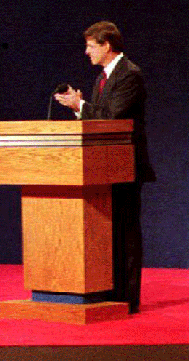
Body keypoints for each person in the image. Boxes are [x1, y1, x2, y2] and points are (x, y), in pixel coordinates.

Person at [54, 21, 154, 313]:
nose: (86, 52)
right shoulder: (103, 78)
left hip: (124, 165)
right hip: (103, 165)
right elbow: (97, 123)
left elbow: (112, 116)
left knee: (126, 230)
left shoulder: (129, 75)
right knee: (109, 232)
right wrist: (80, 106)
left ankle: (127, 299)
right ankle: (110, 292)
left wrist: (80, 106)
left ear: (106, 45)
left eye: (90, 46)